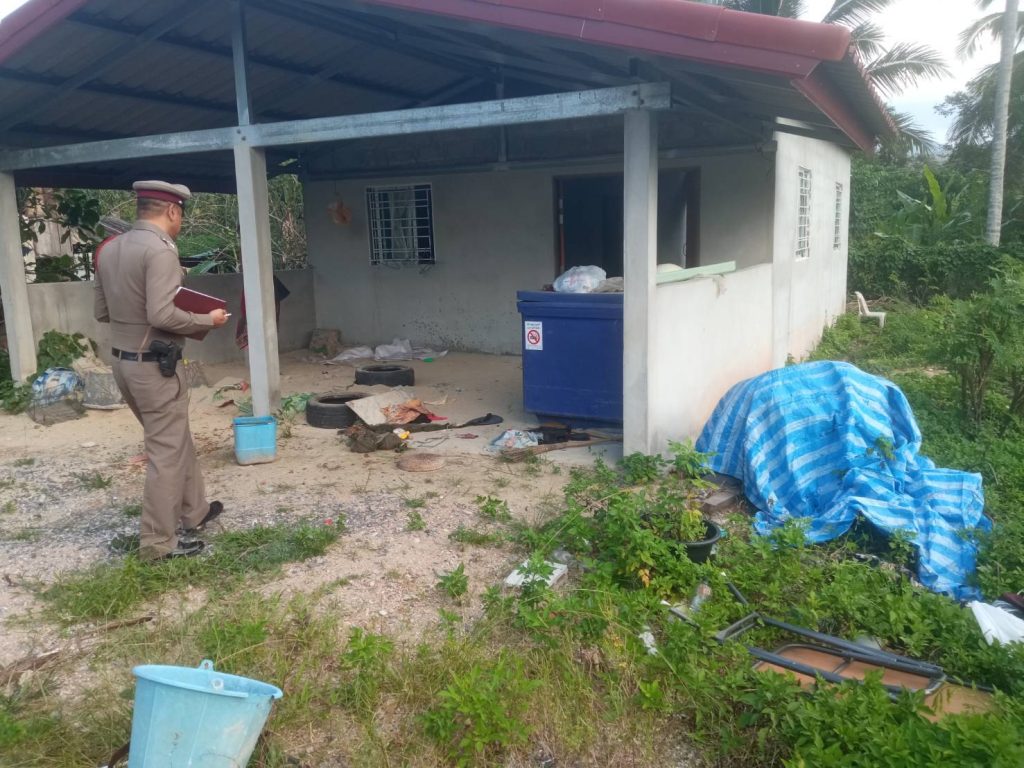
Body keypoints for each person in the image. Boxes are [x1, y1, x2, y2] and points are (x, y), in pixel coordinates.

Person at [94, 180, 229, 561]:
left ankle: (195, 511)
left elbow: (101, 312)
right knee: (166, 452)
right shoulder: (160, 250)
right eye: (181, 214)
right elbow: (161, 314)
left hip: (124, 363)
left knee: (175, 439)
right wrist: (208, 319)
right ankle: (157, 543)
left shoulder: (108, 249)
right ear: (172, 211)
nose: (180, 222)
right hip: (154, 367)